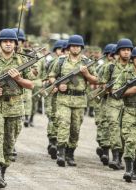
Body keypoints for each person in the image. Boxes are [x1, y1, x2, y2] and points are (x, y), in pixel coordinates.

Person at [0, 28, 34, 188]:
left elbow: (31, 85)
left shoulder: (22, 61)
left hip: (15, 106)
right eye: (5, 41)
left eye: (11, 41)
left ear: (15, 43)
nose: (8, 44)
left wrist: (18, 79)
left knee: (9, 143)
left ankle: (2, 171)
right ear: (0, 43)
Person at [48, 34, 98, 167]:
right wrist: (58, 85)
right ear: (69, 47)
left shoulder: (87, 62)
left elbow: (96, 80)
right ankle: (61, 153)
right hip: (63, 99)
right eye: (73, 46)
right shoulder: (61, 61)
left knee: (75, 129)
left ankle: (70, 154)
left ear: (81, 47)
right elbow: (52, 76)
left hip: (79, 99)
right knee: (63, 124)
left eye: (78, 46)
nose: (75, 48)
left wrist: (86, 74)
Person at [99, 39, 133, 169]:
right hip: (113, 101)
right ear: (118, 51)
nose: (126, 52)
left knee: (125, 130)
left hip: (128, 102)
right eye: (124, 50)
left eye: (128, 50)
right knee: (114, 127)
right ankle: (116, 157)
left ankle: (122, 155)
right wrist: (108, 89)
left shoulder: (133, 67)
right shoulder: (110, 66)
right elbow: (102, 83)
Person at [113, 45, 136, 182]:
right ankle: (128, 170)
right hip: (130, 111)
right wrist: (132, 91)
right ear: (133, 59)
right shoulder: (126, 74)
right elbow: (116, 92)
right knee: (130, 140)